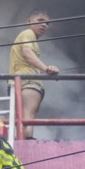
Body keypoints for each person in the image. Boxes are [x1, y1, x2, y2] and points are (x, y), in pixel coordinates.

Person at [8, 9, 59, 140]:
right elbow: (27, 53)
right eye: (40, 21)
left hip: (16, 80)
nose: (44, 25)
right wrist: (46, 68)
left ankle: (21, 138)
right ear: (29, 21)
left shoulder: (29, 37)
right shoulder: (28, 33)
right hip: (28, 80)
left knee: (20, 115)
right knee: (28, 115)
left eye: (47, 23)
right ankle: (27, 139)